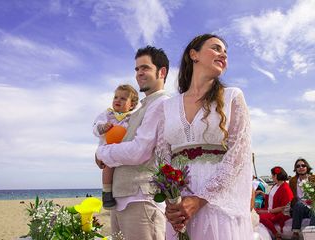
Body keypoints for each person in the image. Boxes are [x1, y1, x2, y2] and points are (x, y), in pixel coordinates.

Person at [161, 34, 253, 240]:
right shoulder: (167, 106)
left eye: (225, 52)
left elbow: (239, 153)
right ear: (194, 54)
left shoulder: (232, 97)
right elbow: (162, 155)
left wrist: (201, 199)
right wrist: (171, 200)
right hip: (179, 205)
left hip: (218, 203)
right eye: (216, 48)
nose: (223, 55)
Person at [95, 46, 170, 240]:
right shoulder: (138, 111)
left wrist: (101, 153)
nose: (139, 73)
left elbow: (140, 151)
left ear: (161, 72)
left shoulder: (161, 104)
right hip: (123, 200)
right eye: (136, 69)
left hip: (141, 200)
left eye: (145, 68)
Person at [93, 84, 139, 209]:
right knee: (108, 166)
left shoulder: (132, 117)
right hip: (108, 148)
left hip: (123, 150)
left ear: (132, 105)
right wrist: (103, 127)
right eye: (116, 97)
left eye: (123, 99)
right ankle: (106, 192)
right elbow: (96, 126)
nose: (118, 100)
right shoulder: (108, 114)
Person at [256, 166, 293, 240]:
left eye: (272, 175)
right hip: (271, 209)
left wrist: (266, 211)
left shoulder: (285, 188)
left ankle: (276, 234)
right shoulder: (275, 185)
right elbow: (270, 197)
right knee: (254, 212)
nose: (271, 177)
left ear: (276, 175)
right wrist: (261, 192)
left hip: (278, 213)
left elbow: (284, 207)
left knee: (259, 217)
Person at [289, 158, 315, 240]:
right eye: (298, 166)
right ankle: (295, 232)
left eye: (303, 165)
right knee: (299, 204)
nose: (301, 167)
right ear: (296, 169)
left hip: (312, 206)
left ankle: (310, 234)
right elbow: (290, 197)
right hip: (299, 209)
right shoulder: (293, 181)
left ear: (307, 167)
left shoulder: (313, 179)